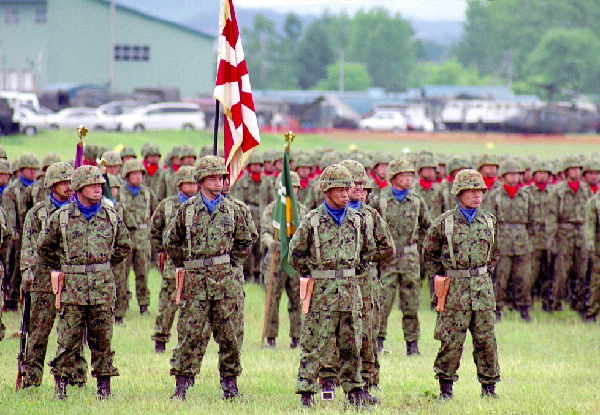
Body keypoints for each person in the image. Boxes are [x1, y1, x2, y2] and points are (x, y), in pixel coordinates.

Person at [164, 155, 254, 401]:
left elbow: (247, 239)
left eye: (221, 178)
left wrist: (230, 263)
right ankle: (181, 384)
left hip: (226, 283)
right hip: (195, 283)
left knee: (230, 335)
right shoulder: (187, 210)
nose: (218, 183)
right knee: (189, 334)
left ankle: (230, 385)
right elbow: (171, 240)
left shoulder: (236, 209)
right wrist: (188, 262)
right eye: (212, 178)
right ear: (201, 181)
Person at [38, 165, 131, 399]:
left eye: (100, 185)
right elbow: (45, 247)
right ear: (79, 188)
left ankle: (104, 389)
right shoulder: (61, 218)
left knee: (102, 341)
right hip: (72, 290)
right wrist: (66, 268)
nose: (99, 189)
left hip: (102, 290)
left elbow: (123, 247)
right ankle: (61, 388)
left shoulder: (111, 217)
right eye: (93, 185)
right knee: (67, 341)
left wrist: (100, 266)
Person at [289, 164, 376, 408]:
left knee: (352, 342)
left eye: (347, 189)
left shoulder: (358, 220)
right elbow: (295, 254)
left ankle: (354, 391)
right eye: (340, 189)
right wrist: (318, 273)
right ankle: (307, 392)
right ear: (326, 191)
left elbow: (368, 252)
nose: (346, 194)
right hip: (322, 292)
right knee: (314, 343)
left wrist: (350, 273)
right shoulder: (313, 221)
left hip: (350, 291)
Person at [422, 169, 500, 400]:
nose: (477, 195)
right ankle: (446, 389)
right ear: (460, 193)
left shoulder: (489, 221)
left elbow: (494, 253)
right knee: (450, 341)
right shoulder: (443, 223)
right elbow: (430, 253)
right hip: (454, 290)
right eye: (472, 191)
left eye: (480, 191)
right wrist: (442, 279)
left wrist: (481, 274)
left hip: (482, 290)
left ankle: (489, 388)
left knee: (486, 340)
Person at [19, 162, 88, 388]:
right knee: (38, 332)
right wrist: (27, 271)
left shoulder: (79, 210)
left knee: (73, 332)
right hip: (43, 279)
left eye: (71, 182)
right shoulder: (37, 213)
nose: (68, 186)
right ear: (52, 184)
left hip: (73, 280)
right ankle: (31, 379)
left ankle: (75, 377)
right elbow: (28, 245)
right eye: (63, 182)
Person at [376, 158, 431, 355]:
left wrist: (419, 249)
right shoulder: (380, 200)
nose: (409, 179)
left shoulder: (417, 201)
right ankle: (378, 342)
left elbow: (428, 227)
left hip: (409, 260)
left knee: (411, 303)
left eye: (411, 175)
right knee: (382, 303)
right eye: (404, 175)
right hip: (387, 260)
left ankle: (412, 345)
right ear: (393, 177)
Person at [150, 166, 198, 353]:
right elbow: (155, 229)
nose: (193, 187)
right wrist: (161, 250)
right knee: (168, 302)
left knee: (194, 305)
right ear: (179, 184)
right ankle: (160, 339)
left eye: (195, 183)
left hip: (195, 263)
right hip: (172, 263)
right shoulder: (167, 205)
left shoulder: (201, 205)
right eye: (189, 183)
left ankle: (189, 341)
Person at [261, 171, 308, 348]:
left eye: (295, 188)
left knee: (298, 299)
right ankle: (270, 338)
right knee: (272, 299)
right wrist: (270, 242)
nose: (292, 191)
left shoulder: (302, 211)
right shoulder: (272, 209)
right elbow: (264, 231)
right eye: (288, 188)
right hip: (276, 258)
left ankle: (297, 337)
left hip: (295, 261)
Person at [484, 160, 534, 322]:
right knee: (500, 278)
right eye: (510, 174)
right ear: (503, 177)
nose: (514, 178)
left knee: (524, 278)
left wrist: (528, 238)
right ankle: (497, 308)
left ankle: (524, 308)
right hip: (502, 241)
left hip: (522, 241)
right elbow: (488, 220)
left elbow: (532, 221)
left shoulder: (526, 196)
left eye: (517, 174)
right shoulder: (494, 196)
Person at [118, 159, 158, 314]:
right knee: (122, 275)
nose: (138, 177)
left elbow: (156, 213)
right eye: (134, 174)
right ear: (127, 176)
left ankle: (144, 305)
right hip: (125, 239)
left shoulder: (147, 193)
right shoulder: (120, 192)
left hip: (142, 240)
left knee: (143, 273)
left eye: (140, 174)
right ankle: (122, 304)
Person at [2, 153, 39, 310]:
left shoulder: (38, 187)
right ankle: (11, 298)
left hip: (34, 233)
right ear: (21, 170)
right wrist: (15, 231)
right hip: (18, 234)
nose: (32, 173)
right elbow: (10, 212)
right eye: (29, 170)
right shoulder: (12, 190)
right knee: (15, 265)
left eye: (34, 170)